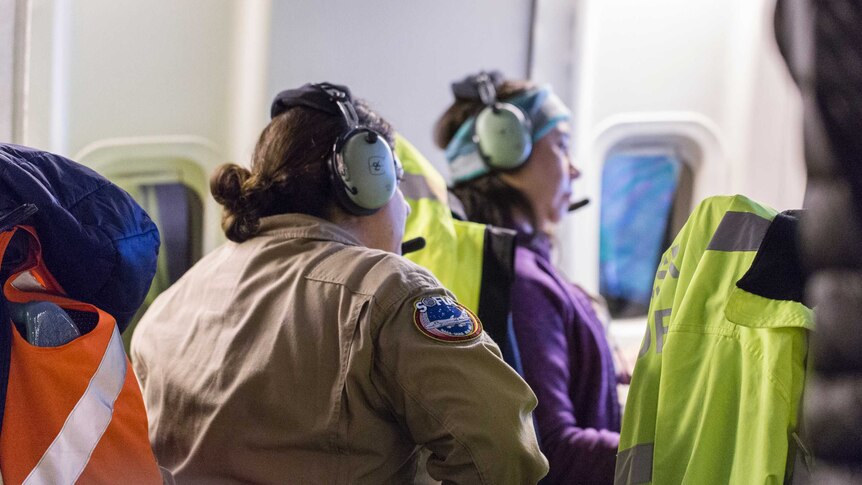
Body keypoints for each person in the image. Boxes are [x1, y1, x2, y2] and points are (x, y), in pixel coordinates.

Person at [130, 82, 548, 484]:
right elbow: (503, 454)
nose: (402, 206)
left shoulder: (168, 305)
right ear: (369, 183)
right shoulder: (389, 292)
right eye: (397, 183)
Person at [435, 71, 621, 484]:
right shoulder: (521, 282)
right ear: (508, 150)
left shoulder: (527, 270)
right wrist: (681, 455)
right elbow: (553, 447)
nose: (574, 170)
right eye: (561, 146)